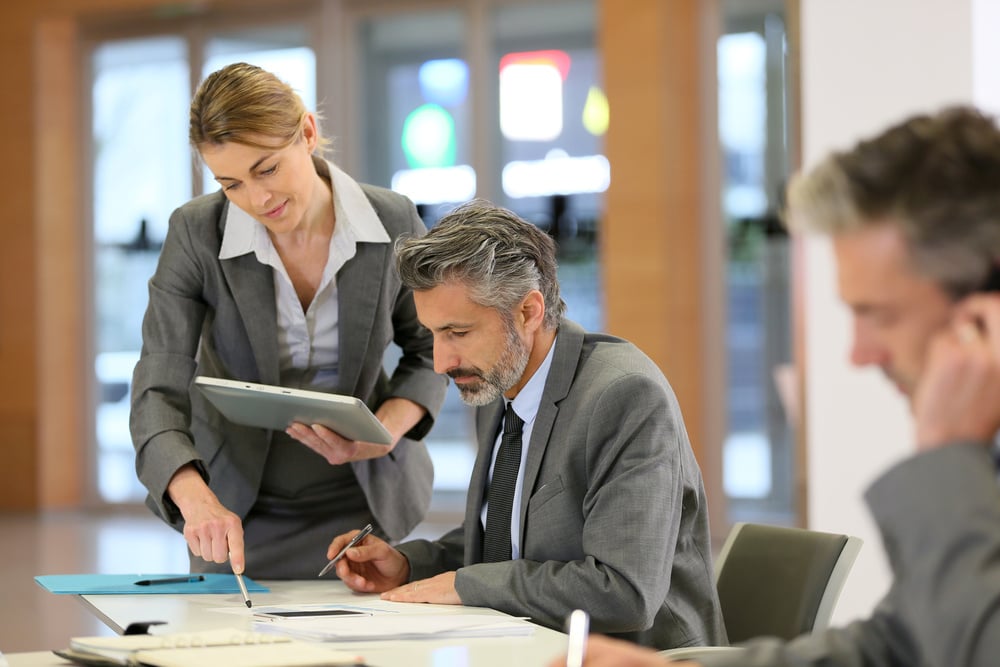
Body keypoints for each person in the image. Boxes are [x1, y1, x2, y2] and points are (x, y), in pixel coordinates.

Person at [548, 105, 1000, 666]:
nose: (860, 354)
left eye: (879, 314)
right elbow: (901, 644)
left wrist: (949, 457)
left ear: (982, 318)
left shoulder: (964, 463)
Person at [325, 200, 726, 650]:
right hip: (528, 648)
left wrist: (464, 586)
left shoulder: (625, 396)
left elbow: (625, 591)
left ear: (529, 312)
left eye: (457, 333)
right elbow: (512, 544)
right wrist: (409, 564)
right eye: (433, 334)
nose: (441, 362)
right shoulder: (499, 382)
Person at [129, 62, 448, 579]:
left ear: (307, 133)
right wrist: (193, 496)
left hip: (361, 494)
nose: (257, 200)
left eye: (267, 169)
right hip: (233, 501)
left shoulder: (392, 221)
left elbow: (430, 348)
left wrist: (385, 431)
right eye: (231, 183)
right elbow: (157, 385)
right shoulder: (196, 233)